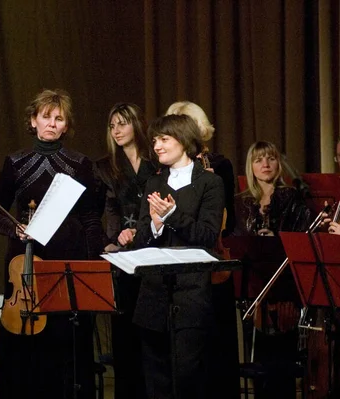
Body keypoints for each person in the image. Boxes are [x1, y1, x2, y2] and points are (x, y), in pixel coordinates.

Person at [0, 89, 103, 399]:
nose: (52, 123)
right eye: (46, 116)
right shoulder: (15, 162)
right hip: (25, 260)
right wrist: (15, 229)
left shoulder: (80, 164)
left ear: (66, 126)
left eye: (59, 118)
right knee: (25, 343)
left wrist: (91, 267)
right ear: (33, 121)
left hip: (68, 257)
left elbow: (91, 218)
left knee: (67, 340)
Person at [119, 114, 225, 398]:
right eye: (155, 140)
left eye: (164, 139)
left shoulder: (210, 184)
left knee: (189, 378)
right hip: (153, 295)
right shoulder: (154, 184)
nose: (157, 146)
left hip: (191, 295)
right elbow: (141, 238)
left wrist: (172, 216)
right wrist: (154, 224)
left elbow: (207, 236)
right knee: (157, 379)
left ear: (185, 141)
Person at [165, 101, 239, 398]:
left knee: (214, 346)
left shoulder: (219, 165)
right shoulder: (165, 168)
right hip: (176, 261)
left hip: (211, 257)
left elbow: (228, 218)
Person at [234, 140, 310, 398]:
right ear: (250, 166)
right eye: (258, 160)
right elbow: (236, 241)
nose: (265, 164)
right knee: (259, 365)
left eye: (270, 159)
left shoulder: (292, 197)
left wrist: (275, 238)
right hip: (253, 291)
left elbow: (301, 241)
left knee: (281, 366)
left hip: (284, 287)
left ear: (278, 163)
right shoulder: (241, 203)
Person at [93, 103, 156, 398]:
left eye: (122, 123)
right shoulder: (105, 167)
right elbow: (108, 208)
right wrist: (113, 240)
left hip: (153, 251)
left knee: (151, 337)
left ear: (137, 126)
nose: (116, 130)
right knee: (124, 335)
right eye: (112, 125)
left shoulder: (155, 162)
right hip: (121, 255)